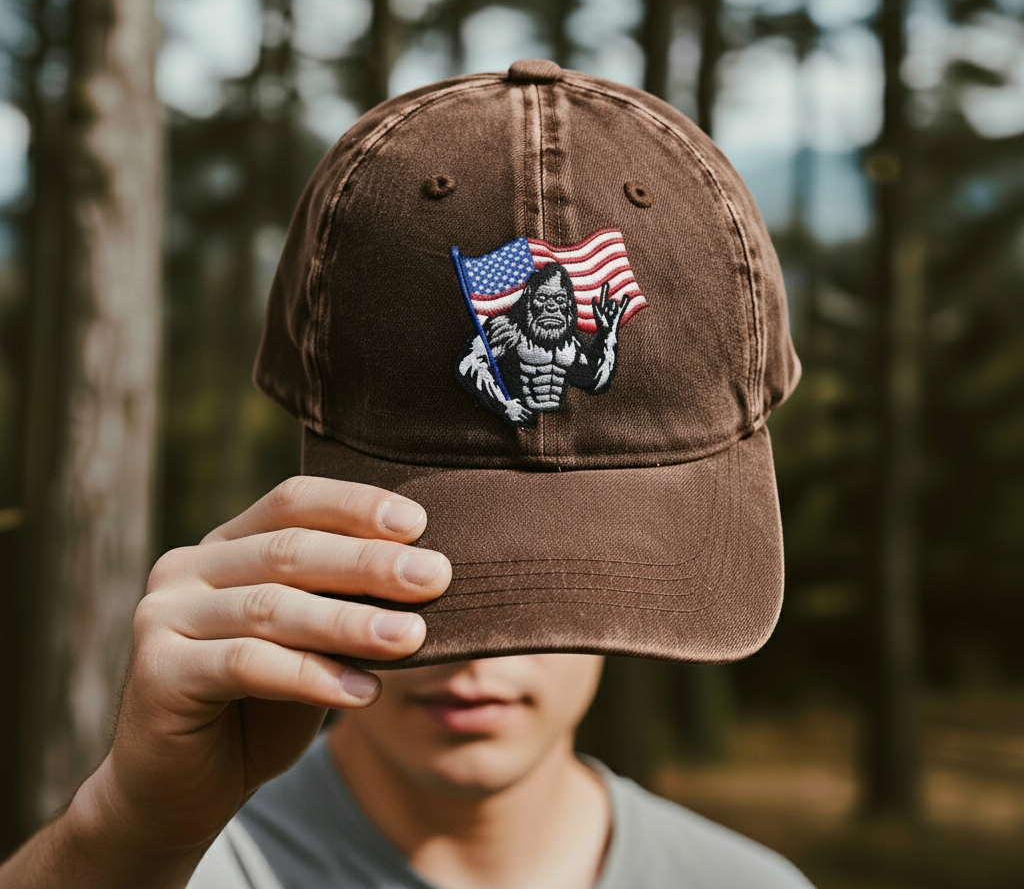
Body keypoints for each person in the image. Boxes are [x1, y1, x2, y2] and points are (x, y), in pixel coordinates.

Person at [0, 59, 813, 887]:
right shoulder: (166, 869)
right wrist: (126, 835)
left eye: (565, 576)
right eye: (434, 572)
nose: (477, 656)